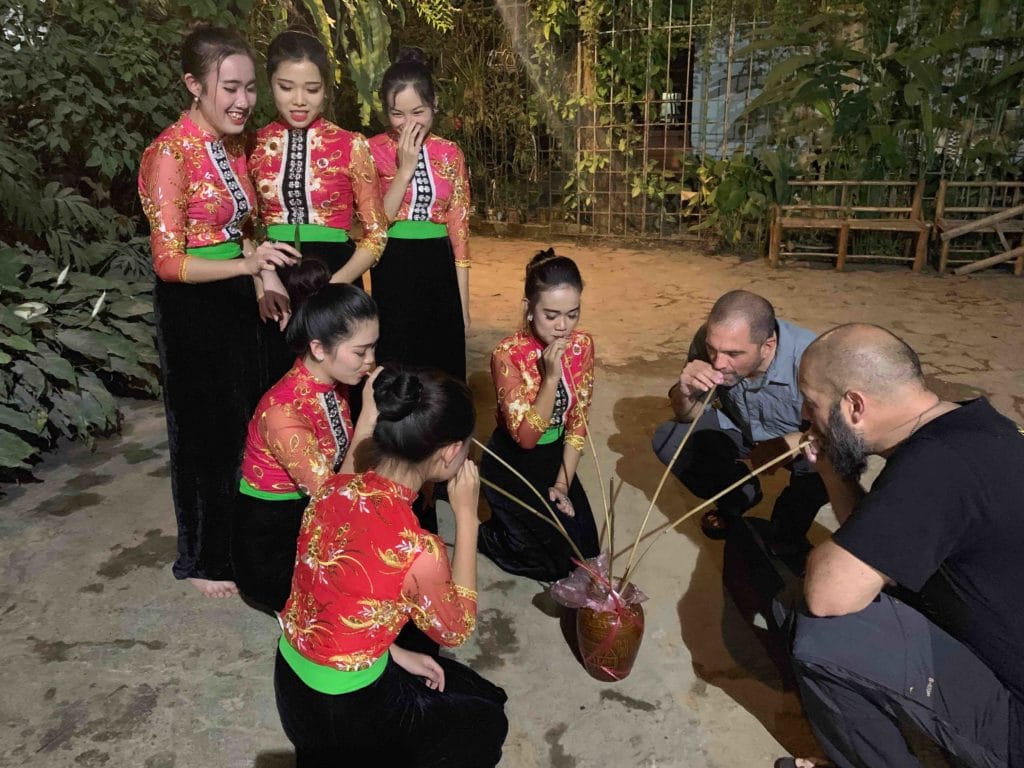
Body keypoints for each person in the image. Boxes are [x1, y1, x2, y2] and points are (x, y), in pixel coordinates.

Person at [776, 323, 1023, 768]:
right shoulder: (970, 426)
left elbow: (830, 595)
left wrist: (823, 560)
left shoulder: (934, 469)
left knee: (820, 629)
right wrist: (834, 472)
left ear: (853, 406)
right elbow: (881, 538)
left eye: (812, 404)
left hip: (1016, 723)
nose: (806, 417)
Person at [275, 368, 508, 767]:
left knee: (472, 690)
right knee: (488, 721)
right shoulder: (417, 549)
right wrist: (467, 517)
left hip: (293, 688)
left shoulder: (334, 489)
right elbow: (456, 629)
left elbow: (339, 605)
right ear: (452, 452)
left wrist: (394, 653)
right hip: (348, 711)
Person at [138, 25, 300, 598]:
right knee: (205, 432)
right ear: (193, 85)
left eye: (250, 88)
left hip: (235, 297)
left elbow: (244, 229)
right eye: (229, 87)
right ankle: (205, 557)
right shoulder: (167, 155)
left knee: (245, 425)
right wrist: (247, 265)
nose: (243, 101)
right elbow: (167, 261)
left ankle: (245, 542)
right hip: (191, 309)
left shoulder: (234, 146)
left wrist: (261, 278)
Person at [231, 260, 379, 613]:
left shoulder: (335, 381)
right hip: (274, 548)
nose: (370, 361)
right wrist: (369, 417)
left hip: (309, 520)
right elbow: (331, 501)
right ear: (318, 348)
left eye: (373, 348)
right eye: (361, 352)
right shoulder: (283, 412)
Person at [249, 30, 389, 383]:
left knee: (342, 383)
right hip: (273, 284)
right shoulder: (251, 144)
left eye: (311, 89)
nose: (299, 100)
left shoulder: (352, 145)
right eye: (286, 87)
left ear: (326, 89)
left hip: (337, 277)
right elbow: (243, 228)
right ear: (270, 85)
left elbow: (376, 235)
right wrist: (263, 281)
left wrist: (335, 287)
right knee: (274, 380)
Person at [651, 290, 827, 552]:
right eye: (713, 350)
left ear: (768, 346)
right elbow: (686, 415)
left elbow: (847, 434)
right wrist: (684, 392)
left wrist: (791, 443)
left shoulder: (814, 359)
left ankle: (786, 531)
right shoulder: (709, 340)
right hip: (741, 426)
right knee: (670, 440)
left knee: (830, 467)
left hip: (804, 438)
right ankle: (739, 496)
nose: (719, 363)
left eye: (734, 354)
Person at [478, 249, 600, 581]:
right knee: (549, 565)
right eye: (551, 315)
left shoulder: (582, 346)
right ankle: (490, 536)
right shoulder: (508, 355)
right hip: (512, 461)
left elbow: (578, 422)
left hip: (555, 454)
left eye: (572, 314)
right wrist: (550, 378)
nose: (563, 327)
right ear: (529, 309)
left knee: (586, 553)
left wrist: (562, 483)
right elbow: (526, 439)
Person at [368, 47, 471, 382]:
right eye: (398, 114)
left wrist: (463, 306)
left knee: (443, 367)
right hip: (393, 265)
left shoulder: (450, 152)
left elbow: (460, 233)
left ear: (435, 105)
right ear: (385, 110)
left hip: (438, 266)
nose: (409, 123)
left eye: (419, 111)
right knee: (397, 362)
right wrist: (405, 170)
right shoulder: (371, 150)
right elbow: (376, 224)